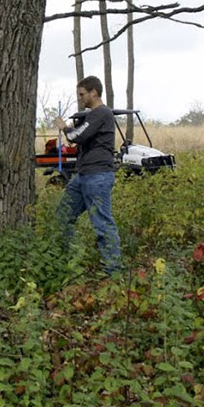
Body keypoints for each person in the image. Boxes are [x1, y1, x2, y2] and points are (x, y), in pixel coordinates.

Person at [54, 76, 123, 275]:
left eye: (83, 94)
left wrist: (64, 128)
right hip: (83, 175)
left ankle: (113, 271)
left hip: (98, 176)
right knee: (63, 216)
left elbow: (77, 136)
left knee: (102, 223)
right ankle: (63, 260)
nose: (81, 98)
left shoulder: (101, 113)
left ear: (94, 92)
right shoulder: (93, 115)